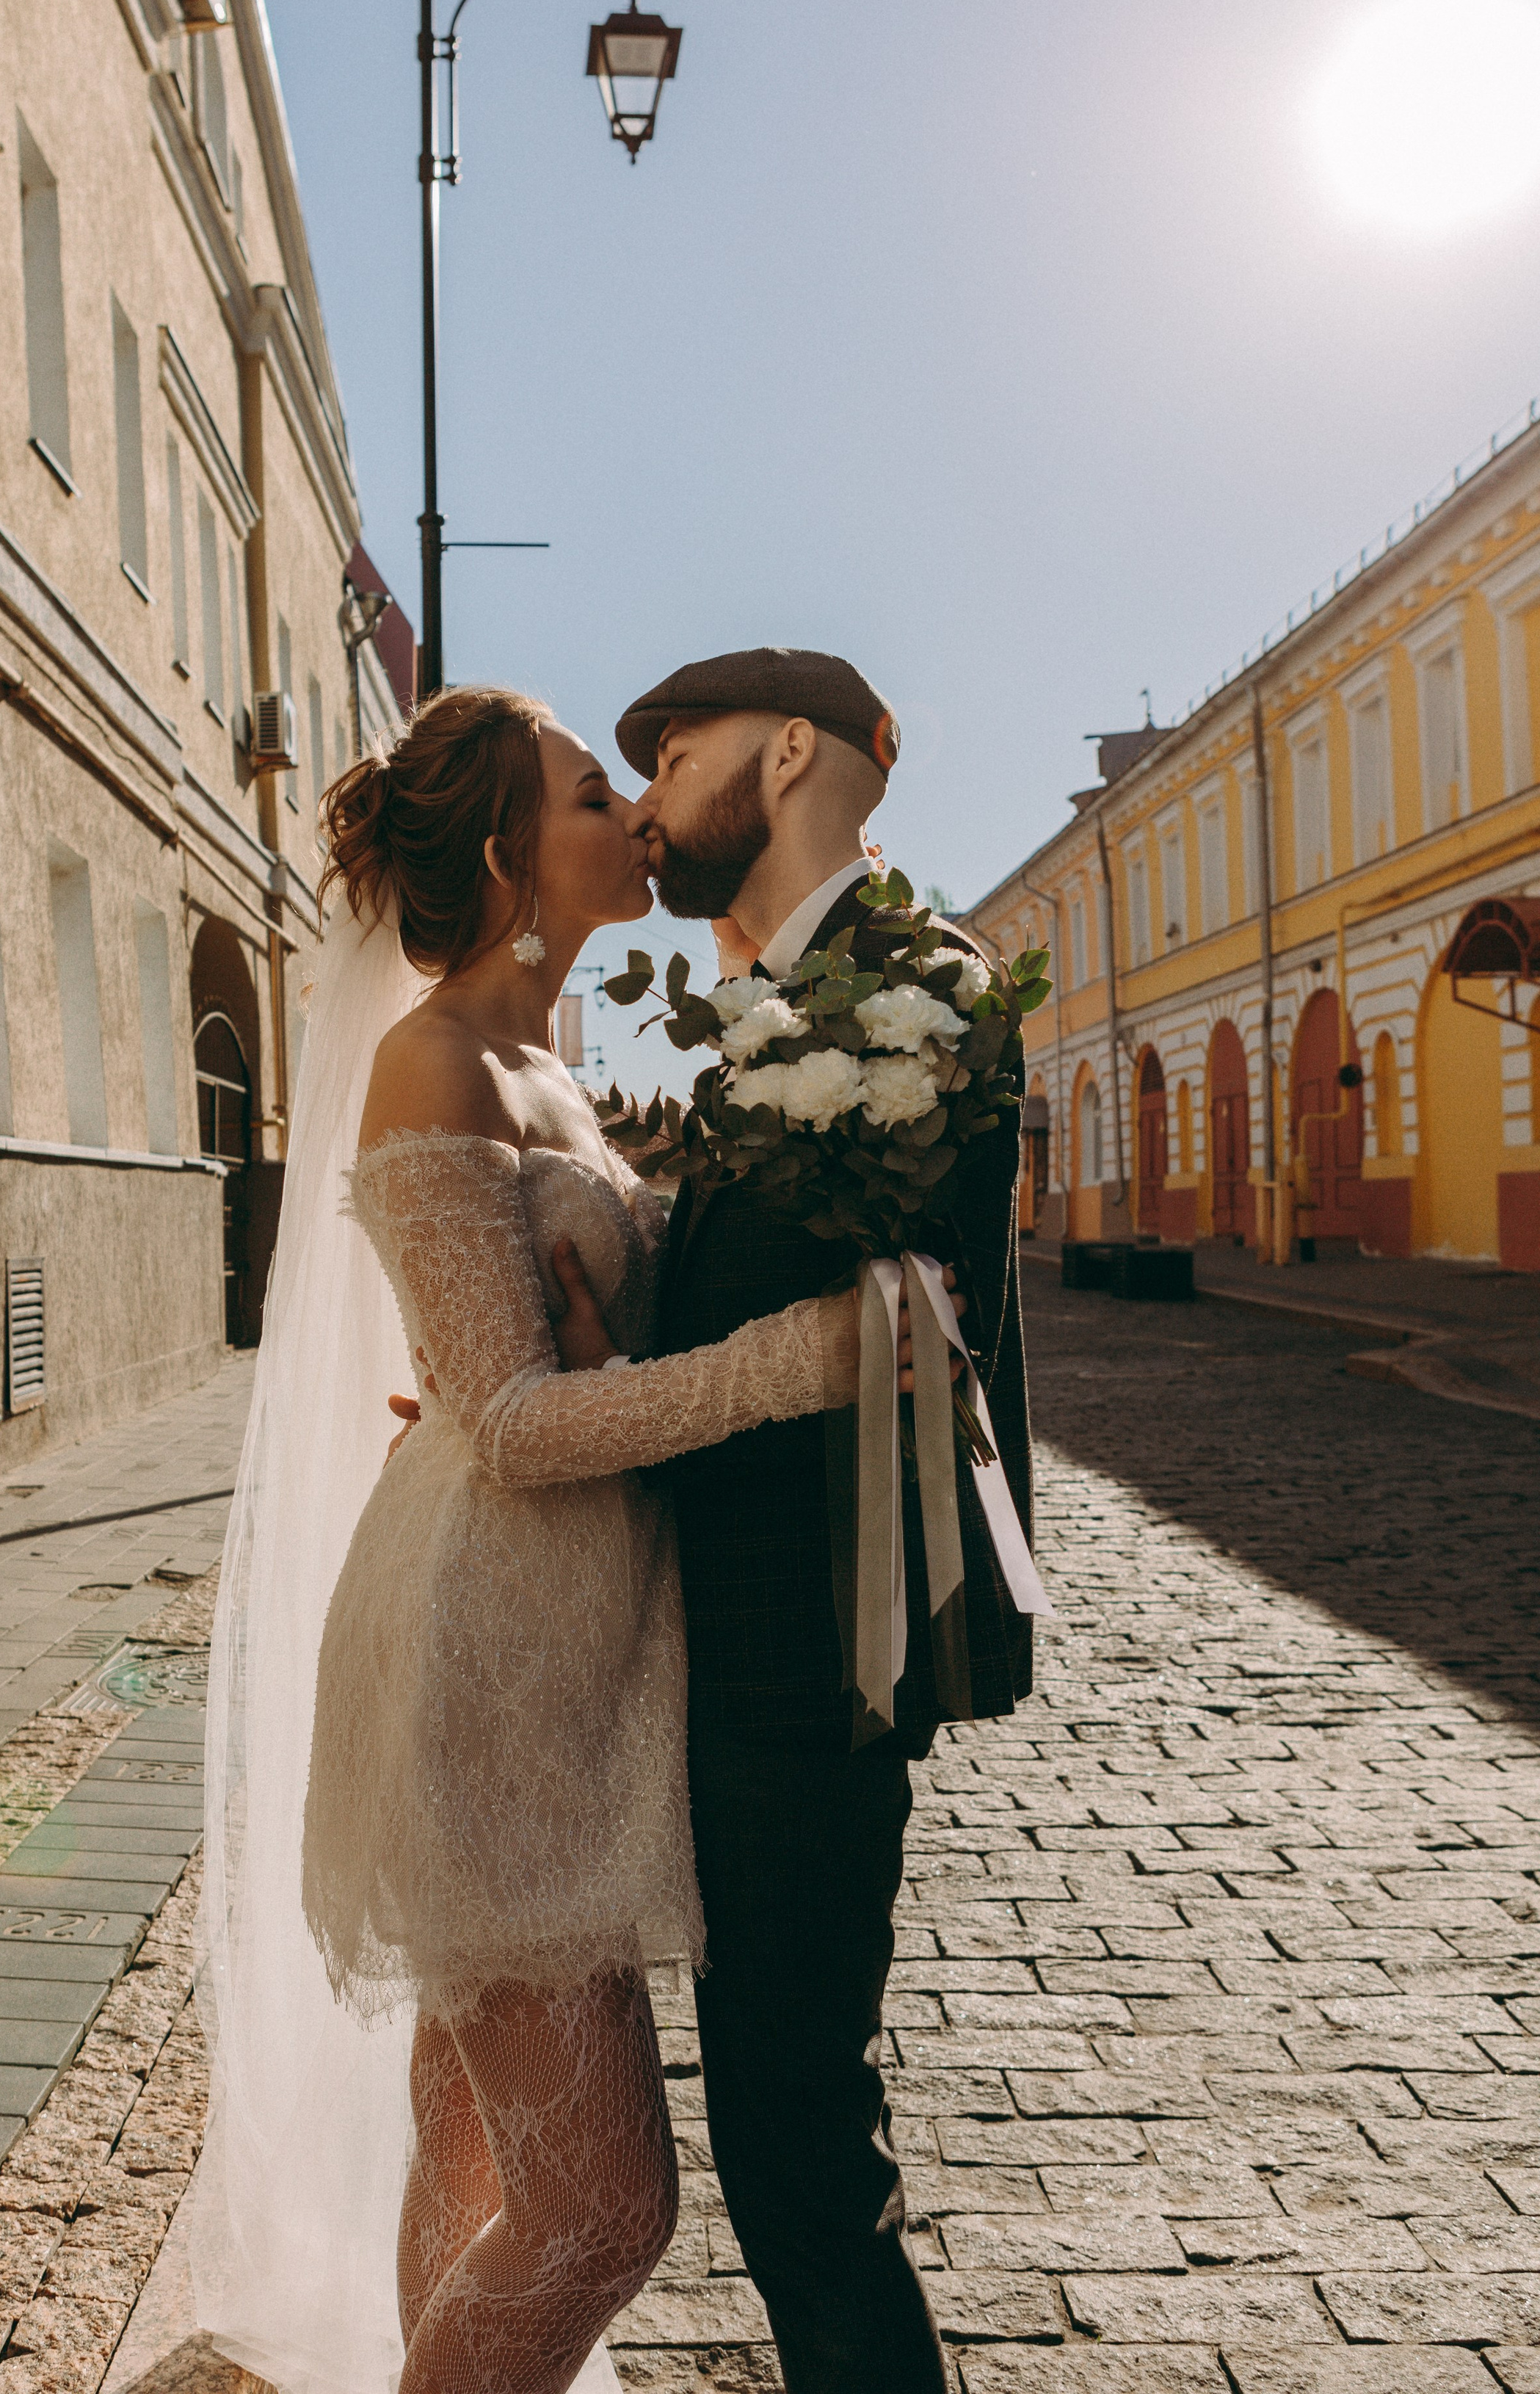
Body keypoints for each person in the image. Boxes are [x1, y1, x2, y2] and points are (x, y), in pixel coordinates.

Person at [190, 683, 936, 2394]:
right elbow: (514, 1425)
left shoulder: (552, 1064)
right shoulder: (432, 1057)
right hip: (486, 1678)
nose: (632, 816)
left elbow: (523, 1373)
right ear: (514, 858)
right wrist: (788, 1361)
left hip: (569, 1659)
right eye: (595, 792)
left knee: (478, 2169)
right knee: (601, 2212)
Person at [611, 646, 1036, 2394]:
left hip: (808, 1652)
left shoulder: (907, 989)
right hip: (749, 1644)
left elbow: (877, 1328)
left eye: (670, 756)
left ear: (783, 753)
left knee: (796, 2145)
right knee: (785, 2131)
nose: (643, 807)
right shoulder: (791, 993)